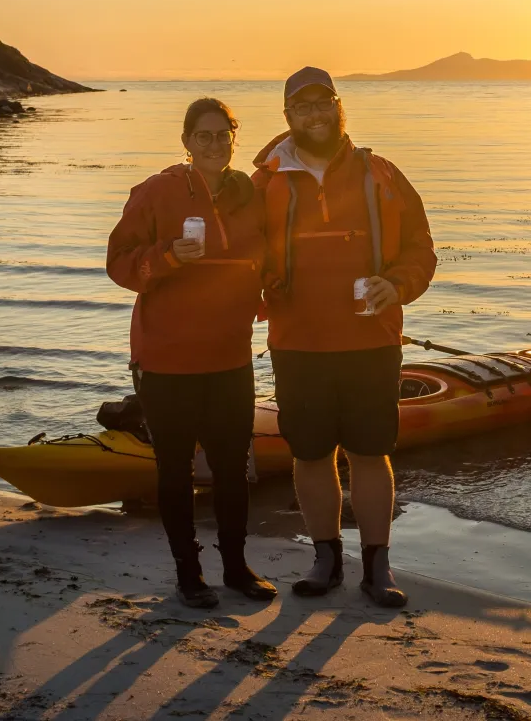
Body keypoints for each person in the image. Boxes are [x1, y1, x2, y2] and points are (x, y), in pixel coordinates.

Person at [252, 67, 437, 607]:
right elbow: (240, 252)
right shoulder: (263, 183)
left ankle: (378, 566)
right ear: (288, 116)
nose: (315, 115)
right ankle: (326, 557)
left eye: (323, 103)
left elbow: (421, 248)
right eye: (302, 107)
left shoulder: (380, 173)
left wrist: (396, 286)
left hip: (371, 341)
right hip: (297, 342)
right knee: (309, 455)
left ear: (339, 106)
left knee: (370, 453)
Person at [106, 97, 276, 609]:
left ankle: (235, 567)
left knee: (231, 467)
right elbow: (118, 263)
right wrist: (166, 257)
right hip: (167, 358)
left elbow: (262, 257)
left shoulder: (248, 194)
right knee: (175, 470)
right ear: (185, 141)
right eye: (203, 136)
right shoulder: (156, 192)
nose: (214, 144)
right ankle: (188, 573)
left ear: (233, 138)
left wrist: (269, 290)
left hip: (229, 355)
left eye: (223, 135)